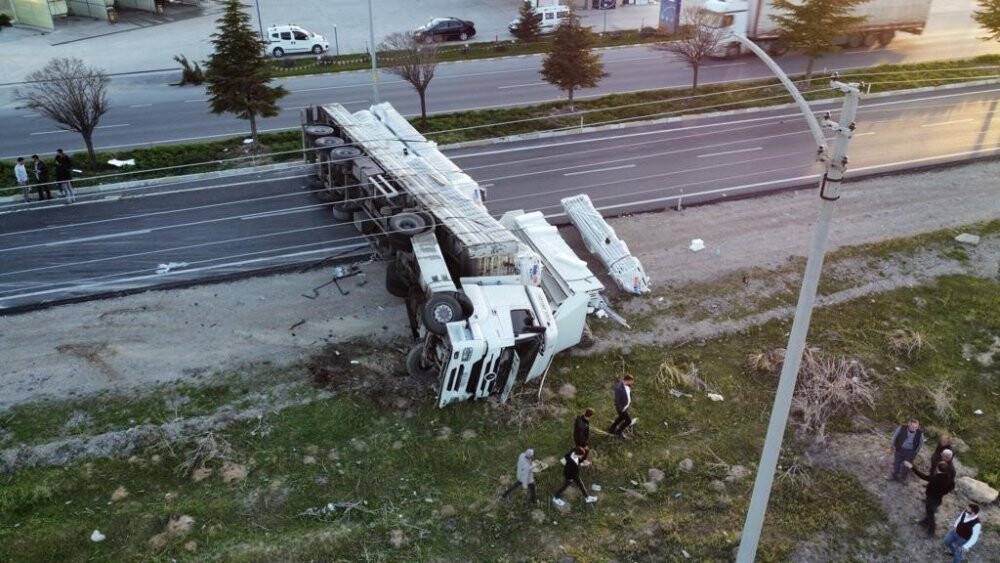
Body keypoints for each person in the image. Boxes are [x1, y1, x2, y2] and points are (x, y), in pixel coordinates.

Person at [905, 460, 955, 536]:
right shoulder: (949, 477)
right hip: (938, 498)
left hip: (932, 499)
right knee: (929, 512)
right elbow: (952, 486)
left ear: (938, 469)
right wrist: (945, 492)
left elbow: (923, 476)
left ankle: (931, 531)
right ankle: (925, 522)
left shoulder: (936, 478)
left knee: (931, 514)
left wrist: (912, 467)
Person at [888, 418, 923, 482]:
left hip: (910, 451)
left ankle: (903, 478)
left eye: (916, 427)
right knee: (896, 463)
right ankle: (894, 476)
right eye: (912, 426)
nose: (914, 428)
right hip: (899, 449)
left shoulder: (919, 433)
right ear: (909, 424)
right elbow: (894, 437)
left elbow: (921, 443)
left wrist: (915, 452)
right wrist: (892, 446)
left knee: (906, 466)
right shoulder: (902, 428)